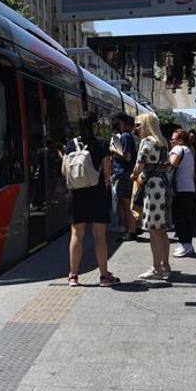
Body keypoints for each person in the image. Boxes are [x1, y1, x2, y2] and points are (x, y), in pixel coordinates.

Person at [63, 111, 120, 288]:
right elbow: (107, 172)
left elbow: (64, 171)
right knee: (99, 236)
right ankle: (104, 276)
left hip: (77, 194)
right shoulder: (101, 144)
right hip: (97, 194)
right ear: (96, 125)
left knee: (76, 235)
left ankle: (73, 276)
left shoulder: (70, 144)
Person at [131, 112, 173, 280]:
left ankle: (156, 268)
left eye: (139, 125)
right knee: (161, 230)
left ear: (147, 125)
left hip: (152, 188)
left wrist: (134, 175)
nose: (137, 129)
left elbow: (138, 166)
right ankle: (166, 265)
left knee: (153, 231)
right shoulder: (162, 143)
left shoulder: (146, 142)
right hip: (162, 186)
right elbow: (168, 166)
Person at [110, 113, 138, 242]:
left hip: (124, 174)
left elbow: (127, 157)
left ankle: (131, 231)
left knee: (126, 205)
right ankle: (131, 229)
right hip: (125, 174)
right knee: (125, 204)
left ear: (121, 122)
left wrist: (114, 151)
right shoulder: (127, 136)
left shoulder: (125, 136)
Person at [169, 129, 196, 257]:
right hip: (189, 188)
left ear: (180, 140)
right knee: (186, 218)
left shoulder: (178, 149)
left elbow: (171, 165)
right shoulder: (189, 150)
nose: (171, 142)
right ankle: (187, 244)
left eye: (173, 139)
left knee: (178, 218)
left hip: (180, 189)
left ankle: (184, 244)